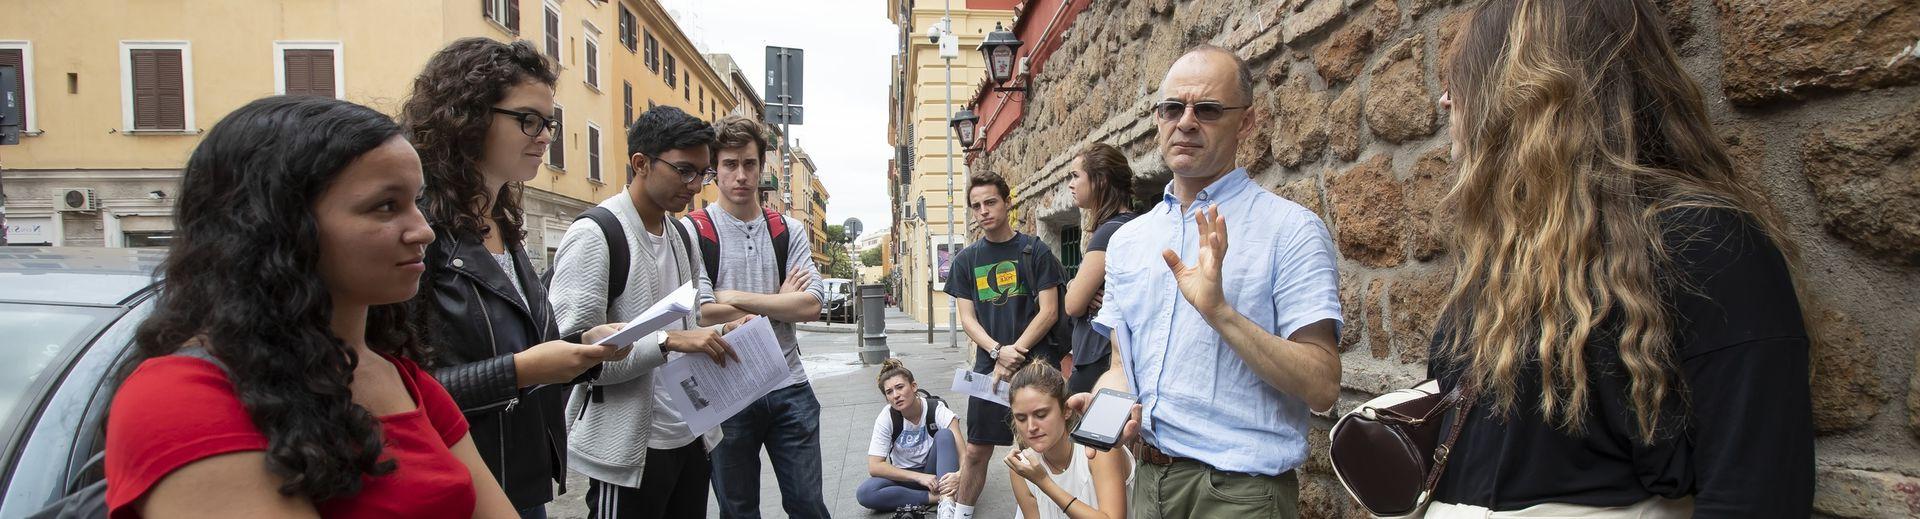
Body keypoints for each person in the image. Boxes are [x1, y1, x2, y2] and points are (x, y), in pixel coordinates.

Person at [1424, 0, 1812, 516]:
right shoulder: (1501, 260)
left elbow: (1755, 495)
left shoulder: (1706, 243)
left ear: (1526, 91)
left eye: (1464, 80)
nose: (1447, 101)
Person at [104, 96, 518, 517]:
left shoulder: (406, 380)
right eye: (386, 206)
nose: (423, 230)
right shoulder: (180, 399)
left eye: (416, 201)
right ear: (279, 225)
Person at [1077, 44, 1344, 519]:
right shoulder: (1130, 240)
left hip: (1239, 494)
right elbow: (1121, 362)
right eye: (1172, 108)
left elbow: (1322, 385)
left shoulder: (1290, 230)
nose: (1186, 121)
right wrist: (1111, 402)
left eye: (1208, 109)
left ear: (1246, 122)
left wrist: (1220, 313)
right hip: (1148, 483)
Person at [401, 38, 627, 519]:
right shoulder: (415, 231)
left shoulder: (504, 220)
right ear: (467, 117)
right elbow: (399, 391)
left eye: (550, 122)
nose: (546, 136)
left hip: (522, 478)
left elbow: (527, 346)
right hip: (456, 487)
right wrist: (523, 371)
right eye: (529, 120)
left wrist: (584, 347)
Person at [549, 105, 742, 519]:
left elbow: (690, 317)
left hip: (691, 433)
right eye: (685, 171)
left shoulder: (682, 234)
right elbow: (572, 358)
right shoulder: (595, 234)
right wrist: (667, 341)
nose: (695, 186)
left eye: (703, 174)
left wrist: (728, 325)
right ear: (641, 163)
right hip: (631, 449)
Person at [687, 115, 832, 519]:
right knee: (737, 510)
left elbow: (811, 305)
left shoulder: (788, 230)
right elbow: (700, 314)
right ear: (715, 168)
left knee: (808, 506)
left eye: (749, 164)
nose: (741, 175)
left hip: (790, 384)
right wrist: (774, 299)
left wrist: (733, 299)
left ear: (762, 166)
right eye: (730, 165)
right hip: (726, 389)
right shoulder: (693, 232)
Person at [945, 171, 1068, 519]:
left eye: (990, 202)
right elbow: (968, 319)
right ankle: (962, 514)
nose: (983, 211)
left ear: (1007, 202)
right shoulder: (966, 260)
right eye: (976, 206)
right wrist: (999, 351)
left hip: (1036, 368)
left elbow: (1048, 312)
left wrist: (1014, 354)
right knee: (974, 451)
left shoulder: (1035, 251)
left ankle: (1036, 513)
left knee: (1036, 447)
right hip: (991, 372)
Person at [1005, 362, 1132, 519]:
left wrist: (1044, 482)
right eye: (1021, 418)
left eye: (1041, 414)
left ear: (1066, 410)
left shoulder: (1097, 448)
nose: (1031, 427)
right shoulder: (1022, 467)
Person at [1060, 143, 1138, 394]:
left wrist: (1075, 288)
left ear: (1101, 180)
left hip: (1098, 360)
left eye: (1075, 176)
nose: (1071, 184)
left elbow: (1072, 305)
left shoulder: (1109, 231)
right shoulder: (1136, 224)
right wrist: (1077, 285)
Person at [856, 359, 965, 515]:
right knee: (866, 492)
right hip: (906, 478)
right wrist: (919, 477)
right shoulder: (886, 418)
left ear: (914, 387)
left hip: (937, 474)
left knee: (945, 435)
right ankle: (939, 497)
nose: (896, 395)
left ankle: (947, 505)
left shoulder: (936, 409)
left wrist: (959, 475)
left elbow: (964, 455)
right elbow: (875, 466)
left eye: (900, 387)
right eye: (889, 392)